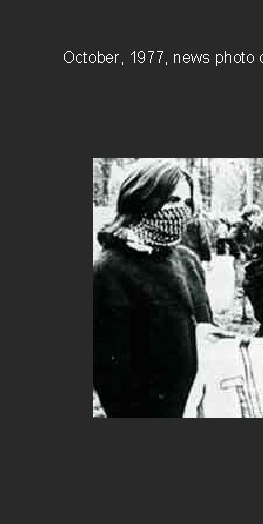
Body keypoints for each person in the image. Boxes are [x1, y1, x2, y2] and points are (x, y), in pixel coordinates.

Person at [93, 160, 215, 417]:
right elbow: (108, 370)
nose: (181, 210)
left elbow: (207, 332)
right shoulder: (108, 269)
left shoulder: (187, 260)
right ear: (141, 200)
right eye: (172, 201)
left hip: (198, 405)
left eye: (187, 203)